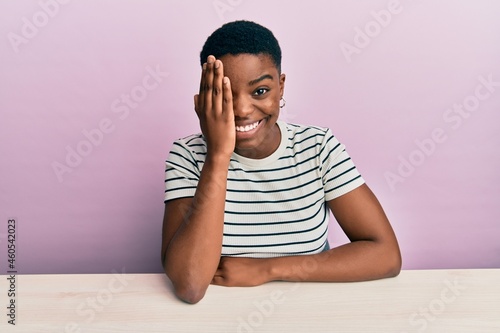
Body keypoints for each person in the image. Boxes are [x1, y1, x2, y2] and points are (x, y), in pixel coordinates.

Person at [161, 20, 401, 304]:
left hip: (308, 308)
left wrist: (267, 269)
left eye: (260, 91)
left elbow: (385, 254)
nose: (241, 109)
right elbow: (190, 286)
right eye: (224, 94)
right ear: (205, 98)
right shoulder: (187, 155)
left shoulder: (317, 148)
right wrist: (218, 155)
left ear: (281, 86)